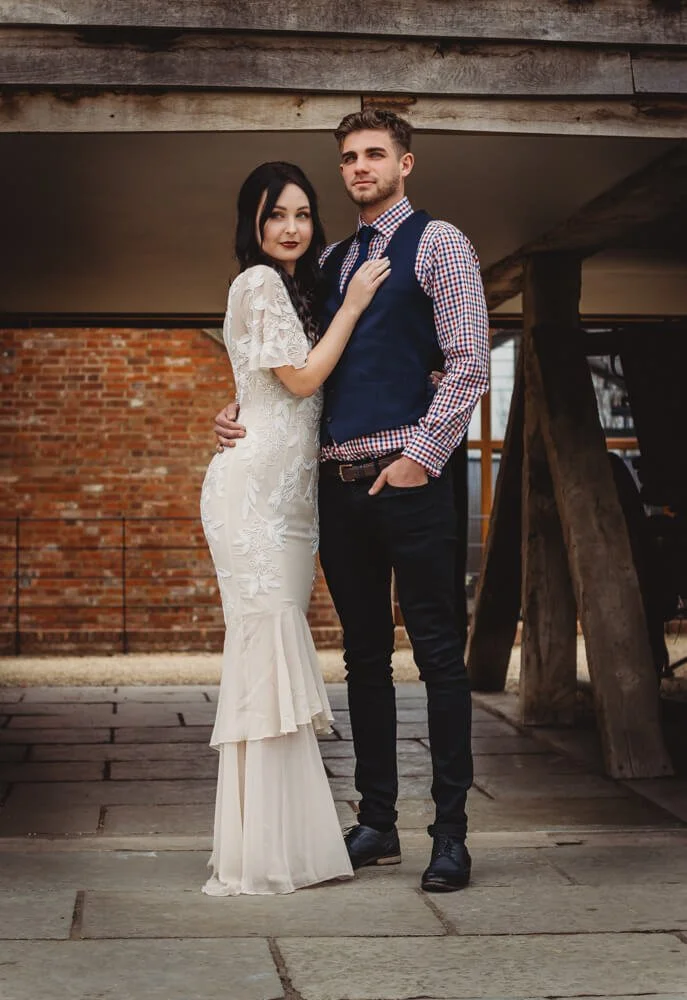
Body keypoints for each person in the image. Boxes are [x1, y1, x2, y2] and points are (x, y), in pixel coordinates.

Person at [215, 109, 490, 892]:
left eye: (375, 155)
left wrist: (417, 458)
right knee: (363, 659)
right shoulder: (327, 262)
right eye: (348, 158)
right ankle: (376, 822)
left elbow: (468, 364)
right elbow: (293, 367)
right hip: (334, 488)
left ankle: (450, 834)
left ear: (406, 163)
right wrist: (236, 405)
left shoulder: (440, 244)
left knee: (438, 657)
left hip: (412, 482)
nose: (360, 167)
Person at [200, 160, 390, 895]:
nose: (290, 227)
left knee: (273, 655)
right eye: (276, 214)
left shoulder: (295, 288)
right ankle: (260, 853)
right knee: (263, 653)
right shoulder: (257, 283)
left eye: (304, 215)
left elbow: (265, 392)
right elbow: (300, 380)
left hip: (288, 500)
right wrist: (355, 305)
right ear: (252, 222)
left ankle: (276, 842)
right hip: (251, 500)